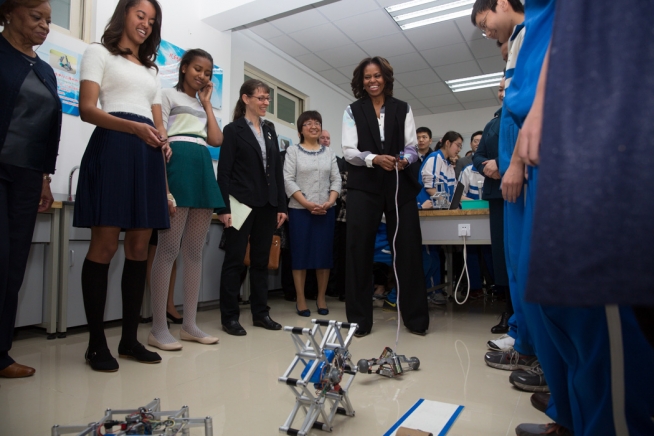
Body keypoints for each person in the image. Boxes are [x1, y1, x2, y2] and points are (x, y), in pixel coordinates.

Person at [511, 1, 654, 434]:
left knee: (594, 305)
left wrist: (545, 102)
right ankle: (575, 417)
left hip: (584, 112)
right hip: (561, 119)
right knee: (558, 303)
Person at [73, 0, 168, 372]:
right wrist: (134, 127)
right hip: (113, 147)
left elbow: (158, 124)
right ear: (124, 14)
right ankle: (96, 344)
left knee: (140, 247)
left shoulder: (151, 71)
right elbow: (87, 109)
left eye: (152, 20)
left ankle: (129, 340)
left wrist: (162, 141)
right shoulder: (99, 53)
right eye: (140, 15)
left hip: (147, 156)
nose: (145, 24)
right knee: (106, 245)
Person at [341, 56, 429, 337]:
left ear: (386, 78)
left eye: (377, 75)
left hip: (399, 185)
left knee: (408, 250)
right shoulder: (352, 110)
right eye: (367, 77)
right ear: (361, 81)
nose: (372, 81)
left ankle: (416, 319)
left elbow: (412, 147)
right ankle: (359, 321)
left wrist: (404, 160)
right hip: (363, 187)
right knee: (358, 252)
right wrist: (374, 159)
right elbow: (349, 151)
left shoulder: (402, 108)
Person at [148, 48, 224, 350]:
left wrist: (207, 104)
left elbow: (216, 139)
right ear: (183, 68)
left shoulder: (202, 103)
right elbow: (161, 133)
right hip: (178, 164)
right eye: (197, 69)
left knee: (194, 251)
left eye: (207, 73)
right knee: (168, 249)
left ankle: (190, 325)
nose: (202, 76)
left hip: (202, 166)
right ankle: (158, 328)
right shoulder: (167, 94)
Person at [0, 0, 60, 379]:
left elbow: (48, 128)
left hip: (27, 176)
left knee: (14, 266)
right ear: (9, 12)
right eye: (36, 17)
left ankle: (1, 354)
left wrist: (44, 178)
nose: (44, 26)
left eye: (49, 21)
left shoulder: (46, 70)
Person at [217, 79, 287, 337]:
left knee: (260, 262)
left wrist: (281, 205)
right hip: (240, 204)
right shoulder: (233, 130)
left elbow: (276, 171)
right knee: (234, 261)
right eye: (261, 98)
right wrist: (223, 208)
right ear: (246, 99)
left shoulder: (269, 130)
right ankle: (230, 317)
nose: (265, 102)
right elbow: (224, 172)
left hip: (267, 206)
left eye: (267, 98)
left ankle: (260, 313)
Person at [283, 111, 341, 317]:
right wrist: (307, 204)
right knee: (300, 255)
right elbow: (288, 180)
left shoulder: (329, 153)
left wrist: (330, 201)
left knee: (323, 256)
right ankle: (300, 299)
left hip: (325, 211)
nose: (313, 126)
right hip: (300, 211)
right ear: (300, 130)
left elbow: (336, 179)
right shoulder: (293, 151)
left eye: (317, 122)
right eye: (308, 123)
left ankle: (321, 297)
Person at [473, 75, 513, 338]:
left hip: (519, 193)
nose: (502, 93)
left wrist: (501, 162)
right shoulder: (492, 123)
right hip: (496, 194)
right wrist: (486, 166)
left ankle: (523, 314)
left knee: (517, 255)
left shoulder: (524, 117)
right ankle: (509, 311)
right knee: (501, 254)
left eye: (506, 88)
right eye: (499, 89)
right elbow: (478, 155)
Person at [417, 131, 462, 205]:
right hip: (428, 208)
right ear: (447, 143)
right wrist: (448, 205)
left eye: (460, 147)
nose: (459, 149)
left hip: (442, 208)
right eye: (458, 145)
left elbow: (454, 193)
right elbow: (430, 188)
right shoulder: (435, 158)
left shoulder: (449, 165)